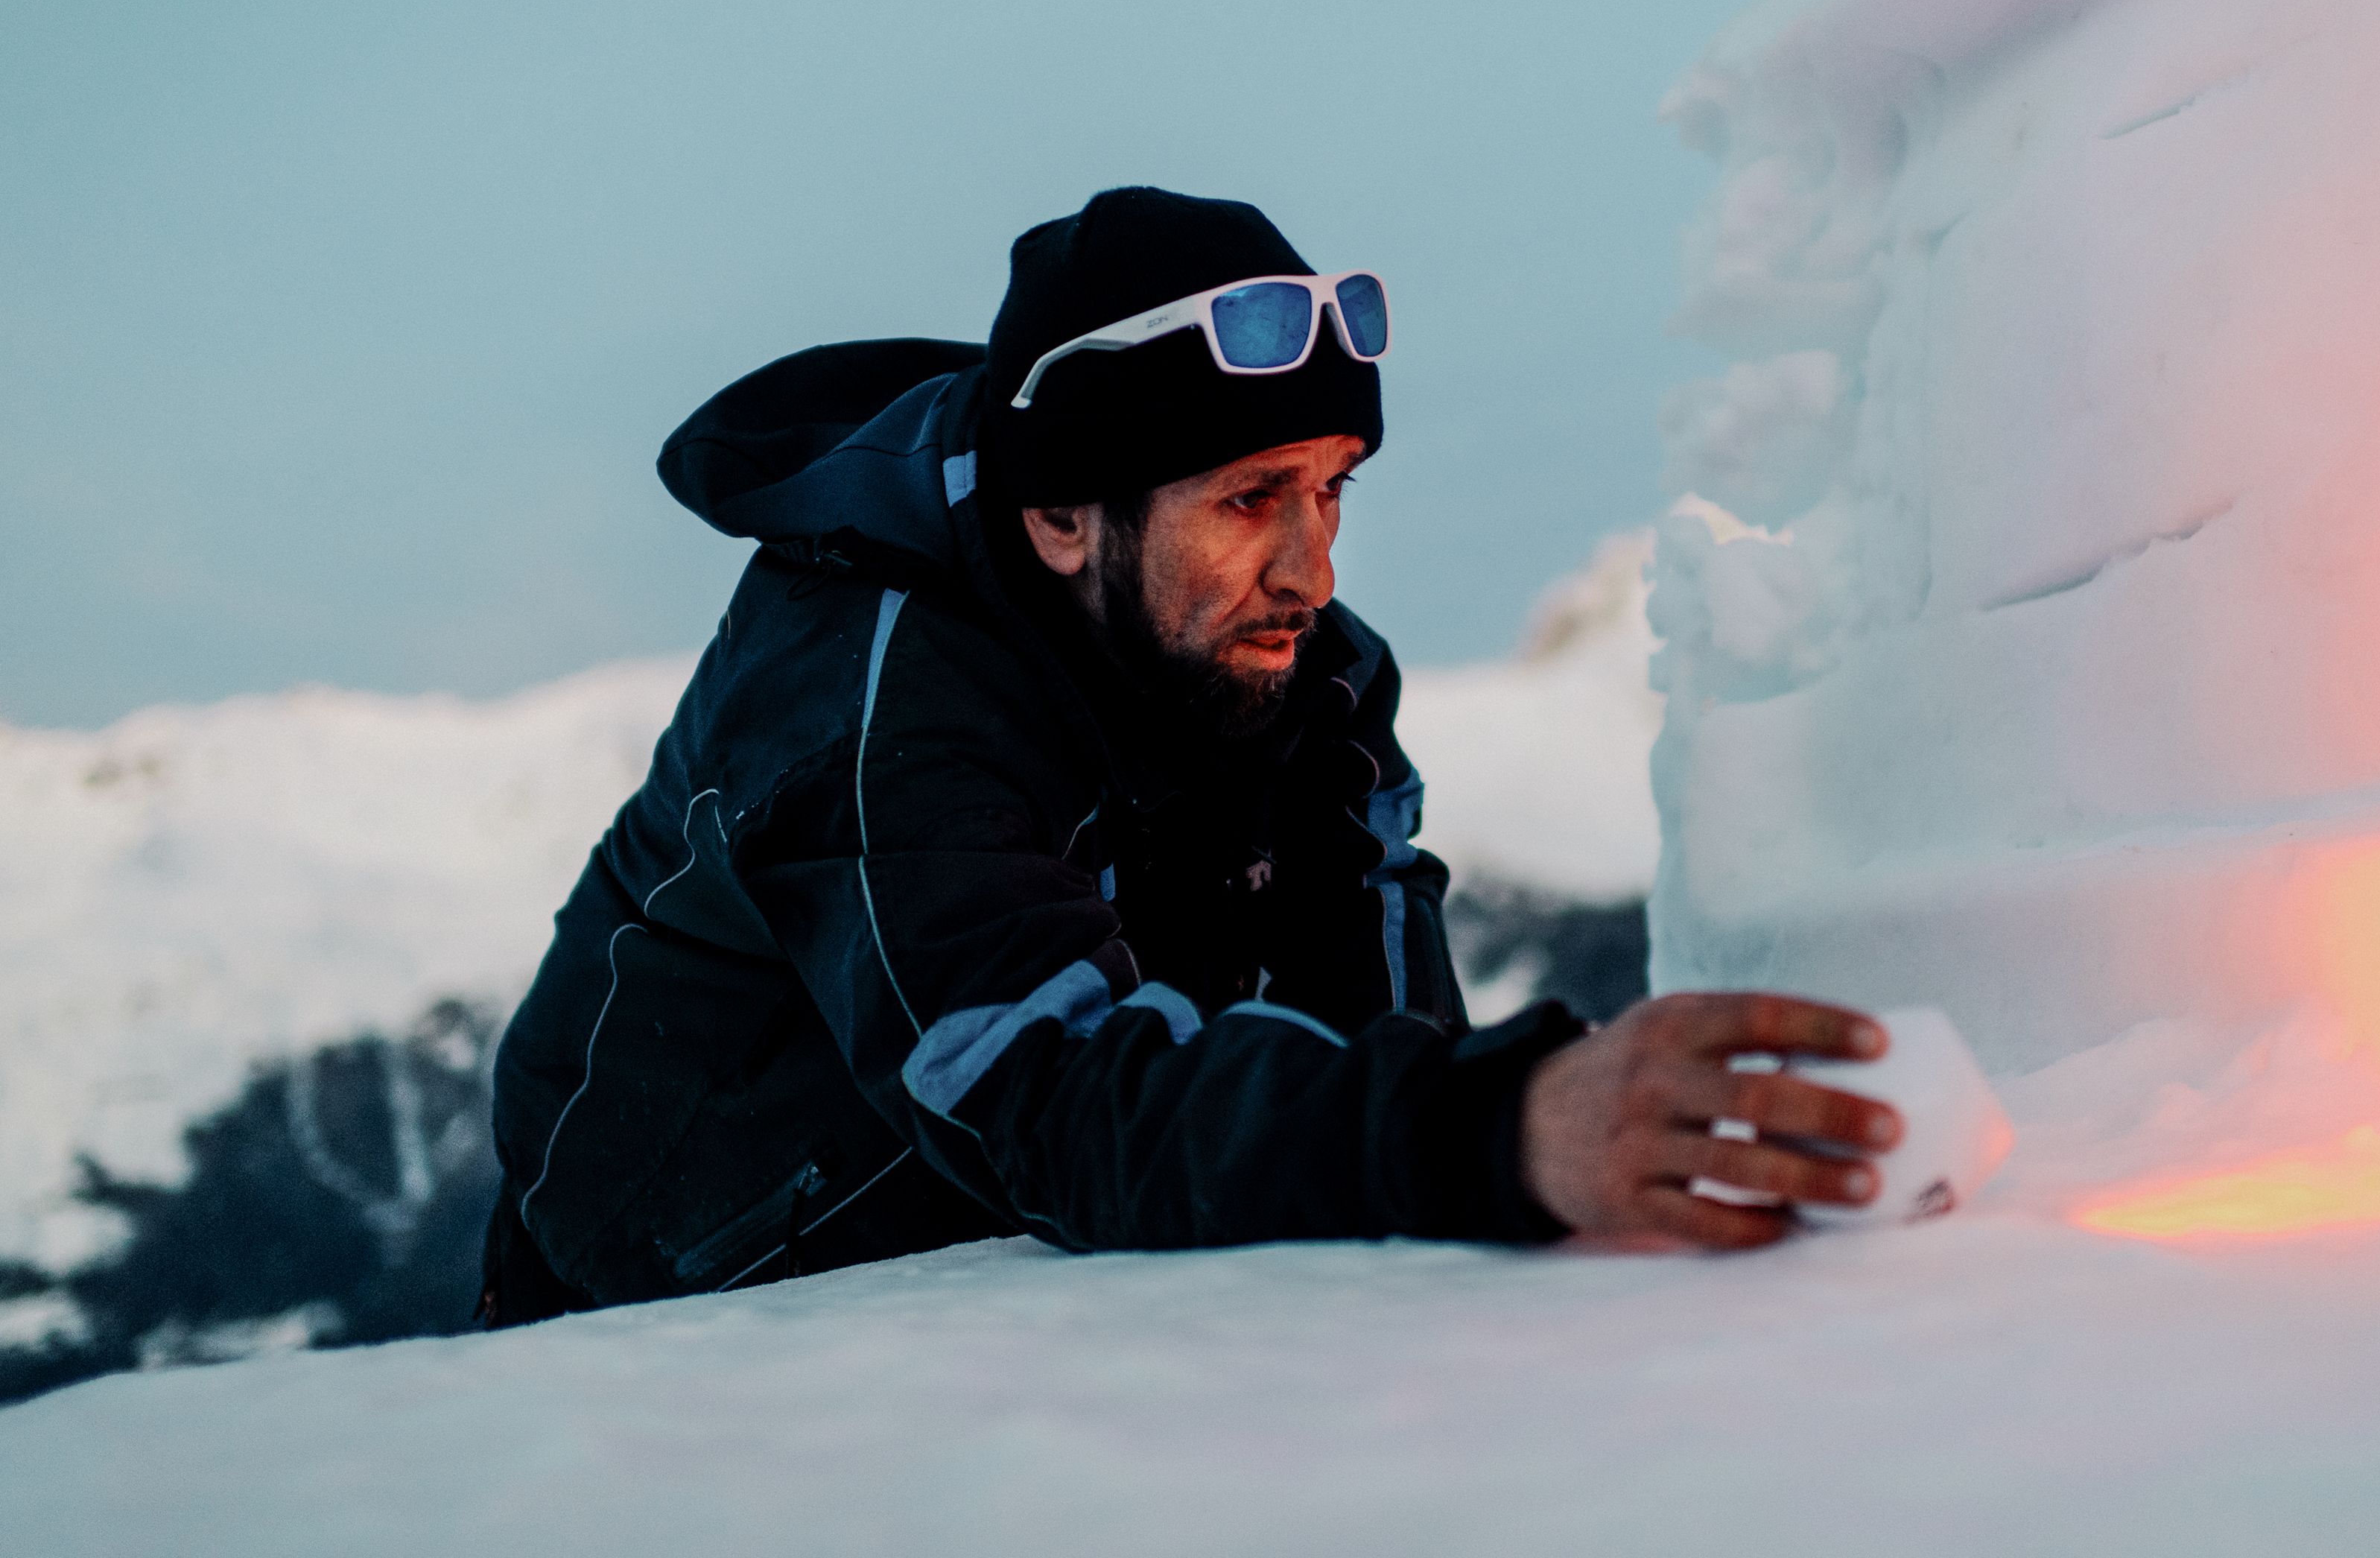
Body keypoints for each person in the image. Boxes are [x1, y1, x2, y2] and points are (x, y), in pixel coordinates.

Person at [481, 187, 1900, 1324]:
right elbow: (1033, 1088)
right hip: (670, 1316)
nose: (1312, 567)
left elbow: (1383, 1015)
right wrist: (1505, 1130)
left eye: (1333, 488)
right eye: (1249, 499)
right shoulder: (873, 693)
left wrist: (1525, 1132)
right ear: (1062, 518)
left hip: (991, 1293)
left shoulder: (1308, 675)